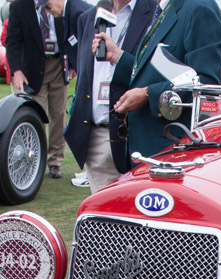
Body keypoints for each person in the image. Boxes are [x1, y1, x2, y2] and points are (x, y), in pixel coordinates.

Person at [98, 0, 221, 162]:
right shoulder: (165, 9)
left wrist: (147, 95)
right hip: (146, 150)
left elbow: (208, 86)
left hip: (170, 153)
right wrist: (118, 56)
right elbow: (164, 72)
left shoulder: (199, 7)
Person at [64, 0, 155, 192]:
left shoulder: (156, 12)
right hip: (96, 136)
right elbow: (85, 73)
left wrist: (119, 57)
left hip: (138, 139)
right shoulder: (89, 17)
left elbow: (158, 75)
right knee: (104, 218)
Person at [5, 0, 82, 179]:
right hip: (32, 70)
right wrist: (16, 70)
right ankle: (32, 160)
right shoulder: (19, 6)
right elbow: (13, 41)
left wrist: (73, 64)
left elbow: (72, 34)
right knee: (35, 118)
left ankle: (55, 162)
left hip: (59, 65)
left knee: (58, 117)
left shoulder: (59, 4)